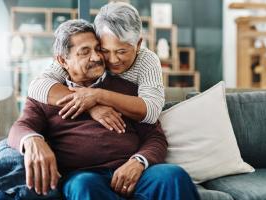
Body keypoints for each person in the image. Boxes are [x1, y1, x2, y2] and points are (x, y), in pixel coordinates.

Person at [8, 19, 200, 200]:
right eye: (84, 52)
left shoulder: (126, 89)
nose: (97, 57)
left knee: (173, 175)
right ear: (63, 61)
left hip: (135, 173)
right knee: (84, 185)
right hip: (84, 175)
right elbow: (20, 127)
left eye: (98, 49)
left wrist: (139, 161)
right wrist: (32, 140)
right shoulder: (45, 96)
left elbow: (155, 136)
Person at [28, 2, 164, 133]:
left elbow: (151, 112)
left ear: (138, 44)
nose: (112, 60)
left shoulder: (147, 61)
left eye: (121, 52)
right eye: (104, 50)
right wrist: (92, 106)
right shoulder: (91, 58)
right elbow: (37, 86)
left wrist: (98, 96)